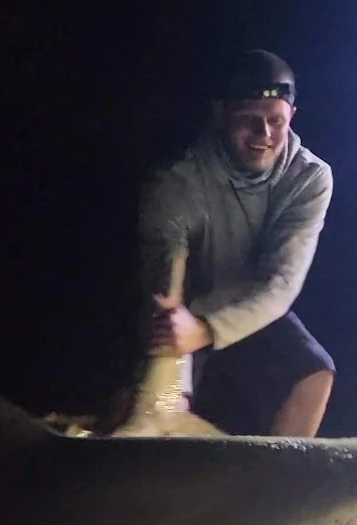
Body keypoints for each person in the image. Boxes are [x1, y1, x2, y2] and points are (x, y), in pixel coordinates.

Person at [138, 48, 335, 437]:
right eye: (249, 120)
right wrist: (176, 360)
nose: (264, 135)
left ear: (292, 117)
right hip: (184, 308)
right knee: (162, 403)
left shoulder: (311, 178)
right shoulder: (177, 182)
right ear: (220, 113)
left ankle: (279, 475)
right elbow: (163, 283)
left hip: (248, 306)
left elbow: (281, 284)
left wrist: (207, 331)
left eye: (276, 121)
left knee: (315, 373)